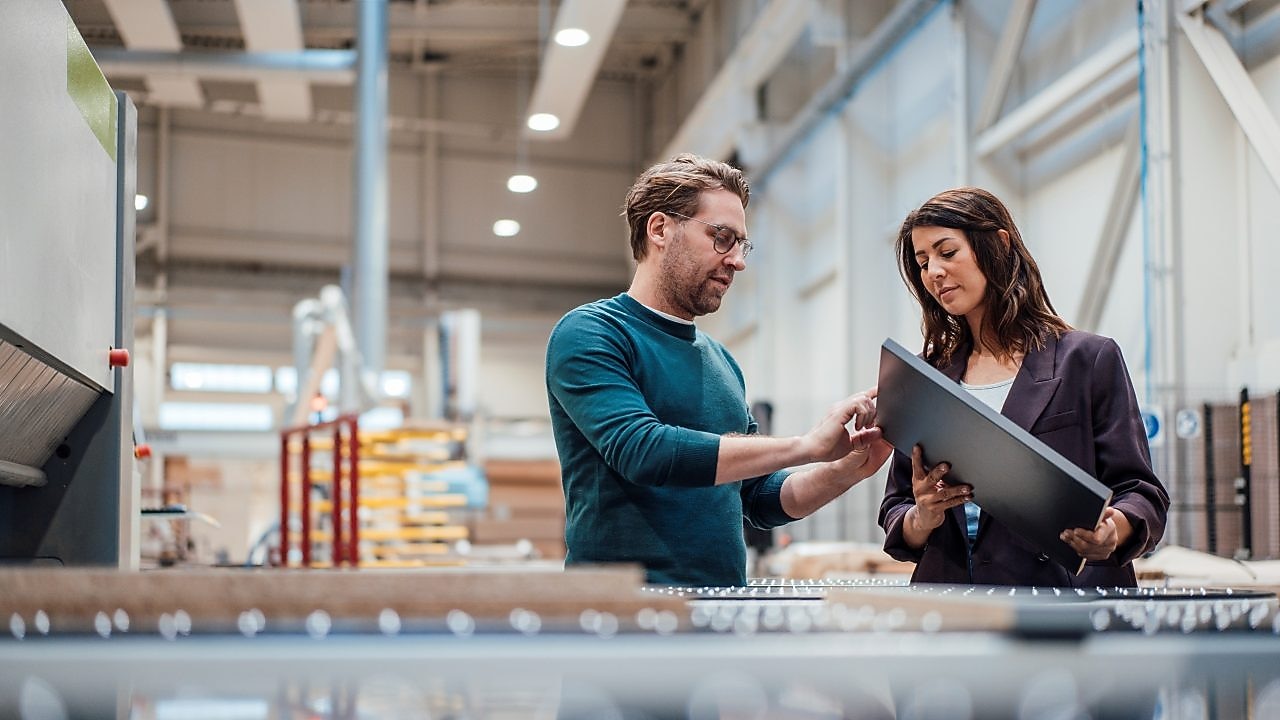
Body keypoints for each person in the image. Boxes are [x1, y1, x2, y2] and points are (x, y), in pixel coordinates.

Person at [545, 153, 892, 587]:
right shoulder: (593, 332)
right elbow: (643, 451)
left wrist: (850, 468)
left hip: (722, 607)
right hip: (622, 615)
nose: (737, 260)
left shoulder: (721, 360)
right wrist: (807, 445)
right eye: (722, 237)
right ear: (659, 229)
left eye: (742, 244)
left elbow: (759, 499)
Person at [877, 187, 1169, 586]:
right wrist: (922, 516)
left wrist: (1112, 531)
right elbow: (897, 505)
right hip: (951, 601)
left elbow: (1141, 491)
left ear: (998, 245)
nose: (933, 273)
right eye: (923, 262)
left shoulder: (1087, 360)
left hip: (1063, 601)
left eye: (947, 253)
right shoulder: (928, 377)